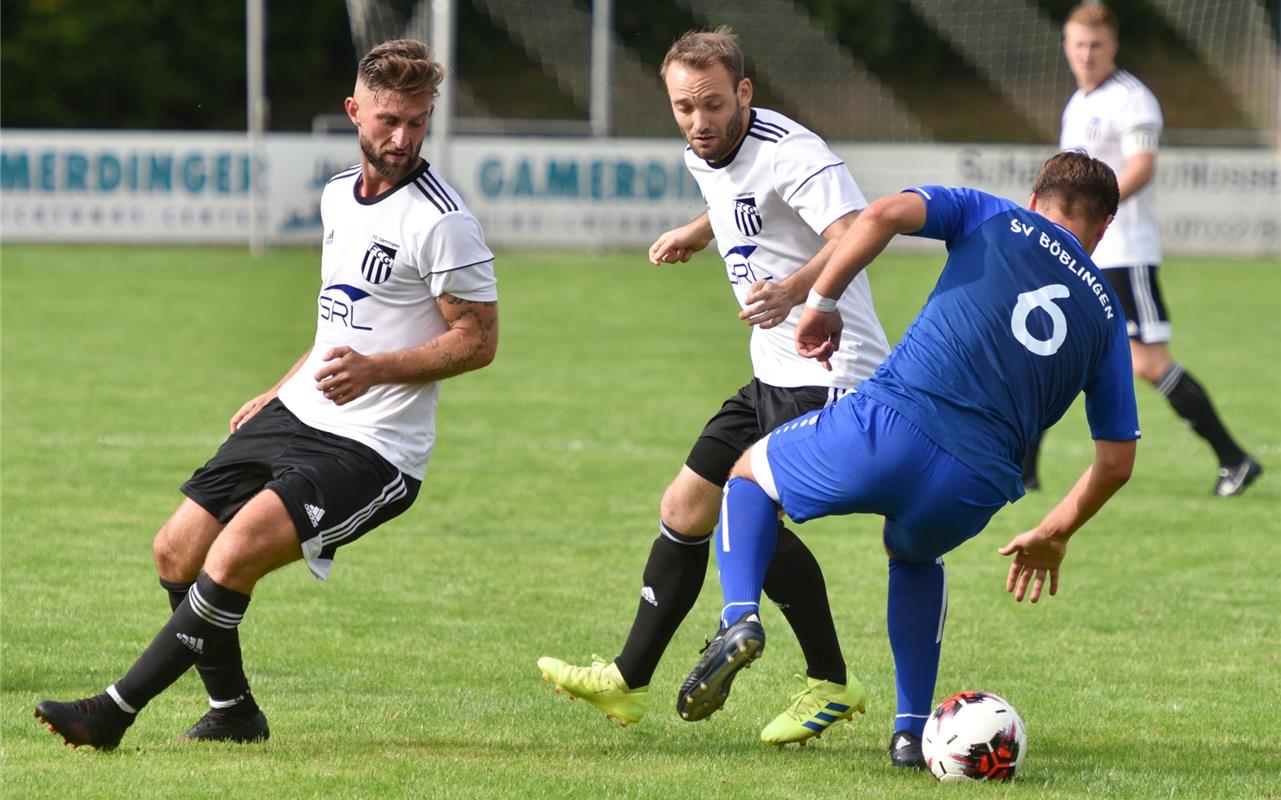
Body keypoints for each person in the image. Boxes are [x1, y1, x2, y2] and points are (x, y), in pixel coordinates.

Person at [34, 39, 499, 751]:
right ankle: (234, 712)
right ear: (354, 111)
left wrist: (374, 370)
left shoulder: (442, 220)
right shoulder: (338, 194)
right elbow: (336, 316)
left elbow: (476, 340)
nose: (401, 137)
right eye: (387, 119)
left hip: (375, 449)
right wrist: (278, 390)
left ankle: (112, 712)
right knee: (176, 552)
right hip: (298, 412)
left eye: (417, 121)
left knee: (232, 557)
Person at [676, 153, 1139, 760]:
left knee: (747, 478)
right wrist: (1055, 531)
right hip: (975, 485)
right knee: (915, 557)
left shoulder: (991, 214)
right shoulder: (1107, 317)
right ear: (1105, 226)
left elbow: (884, 213)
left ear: (1035, 197)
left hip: (894, 425)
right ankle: (910, 730)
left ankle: (740, 617)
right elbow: (1117, 461)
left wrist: (819, 300)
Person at [536, 27, 895, 749]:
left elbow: (858, 229)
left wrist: (796, 288)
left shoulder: (794, 153)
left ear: (743, 93)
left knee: (747, 507)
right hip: (770, 368)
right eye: (681, 108)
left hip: (828, 369)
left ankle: (829, 680)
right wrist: (701, 230)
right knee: (685, 506)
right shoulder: (706, 151)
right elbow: (739, 199)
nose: (697, 122)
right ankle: (627, 680)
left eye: (710, 105)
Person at [1023, 2, 1260, 497]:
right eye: (1078, 44)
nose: (1087, 54)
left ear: (1113, 46)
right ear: (1066, 46)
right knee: (1053, 347)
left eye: (1096, 45)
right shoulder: (1078, 103)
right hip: (1082, 250)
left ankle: (1233, 459)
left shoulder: (1132, 99)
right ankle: (1021, 467)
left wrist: (1093, 214)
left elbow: (1141, 166)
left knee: (1148, 361)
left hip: (1123, 251)